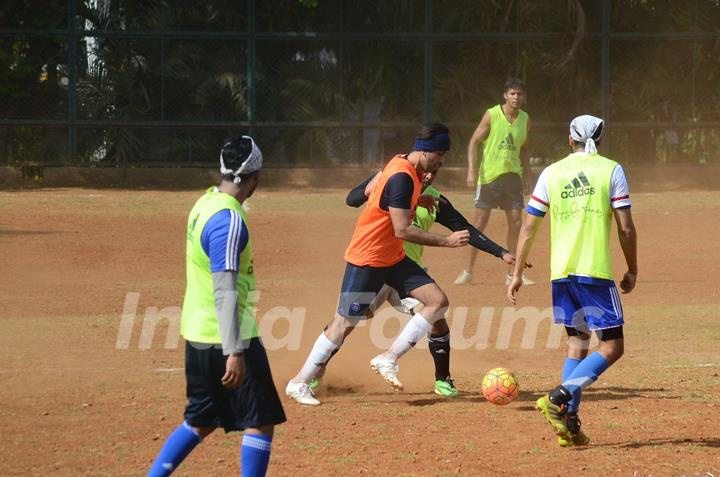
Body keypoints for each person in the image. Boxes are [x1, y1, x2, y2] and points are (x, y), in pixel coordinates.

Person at [285, 123, 470, 406]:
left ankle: (388, 358)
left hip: (393, 258)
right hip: (369, 259)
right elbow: (402, 230)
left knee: (437, 302)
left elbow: (372, 190)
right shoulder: (402, 177)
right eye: (441, 154)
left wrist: (407, 199)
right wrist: (447, 241)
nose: (442, 161)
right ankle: (299, 382)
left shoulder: (398, 164)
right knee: (343, 323)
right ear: (426, 151)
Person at [306, 170, 519, 398]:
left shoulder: (435, 200)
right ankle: (315, 372)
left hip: (407, 274)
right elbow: (352, 199)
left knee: (436, 316)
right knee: (345, 323)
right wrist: (378, 179)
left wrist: (501, 252)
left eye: (435, 171)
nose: (429, 175)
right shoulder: (391, 183)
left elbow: (463, 228)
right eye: (426, 170)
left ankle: (442, 380)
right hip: (374, 267)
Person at [147, 136, 286, 476]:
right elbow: (224, 288)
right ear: (255, 178)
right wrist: (235, 350)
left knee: (201, 419)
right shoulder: (229, 219)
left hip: (197, 332)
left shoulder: (204, 204)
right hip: (226, 335)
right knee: (260, 419)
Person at [507, 115, 638, 447]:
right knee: (612, 346)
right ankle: (558, 397)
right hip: (593, 272)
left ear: (570, 140)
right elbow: (625, 227)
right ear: (600, 140)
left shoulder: (551, 173)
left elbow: (527, 228)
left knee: (577, 344)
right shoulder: (611, 170)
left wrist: (517, 273)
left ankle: (569, 424)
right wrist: (632, 268)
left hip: (561, 274)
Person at [455, 78, 534, 286]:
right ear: (505, 95)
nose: (516, 97)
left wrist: (528, 173)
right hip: (489, 177)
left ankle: (513, 274)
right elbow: (473, 142)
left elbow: (525, 149)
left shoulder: (525, 119)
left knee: (516, 223)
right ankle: (468, 271)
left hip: (513, 178)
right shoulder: (492, 115)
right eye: (512, 93)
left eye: (519, 94)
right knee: (479, 224)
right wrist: (471, 169)